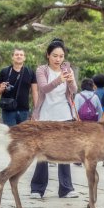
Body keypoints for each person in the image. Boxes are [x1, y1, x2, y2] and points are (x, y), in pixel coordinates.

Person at [30, 38, 79, 199]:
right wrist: (60, 79)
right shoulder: (41, 70)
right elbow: (44, 88)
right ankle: (37, 189)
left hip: (65, 115)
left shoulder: (67, 68)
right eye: (55, 56)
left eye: (61, 56)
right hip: (45, 116)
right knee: (43, 152)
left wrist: (71, 81)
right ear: (48, 55)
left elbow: (73, 90)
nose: (58, 59)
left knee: (65, 152)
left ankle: (66, 189)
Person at [0, 48, 38, 126]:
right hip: (8, 110)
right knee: (11, 136)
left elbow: (35, 92)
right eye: (16, 54)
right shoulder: (4, 72)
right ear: (12, 57)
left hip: (24, 111)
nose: (19, 56)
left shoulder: (30, 72)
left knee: (22, 137)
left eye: (21, 55)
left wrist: (36, 110)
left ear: (24, 58)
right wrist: (2, 88)